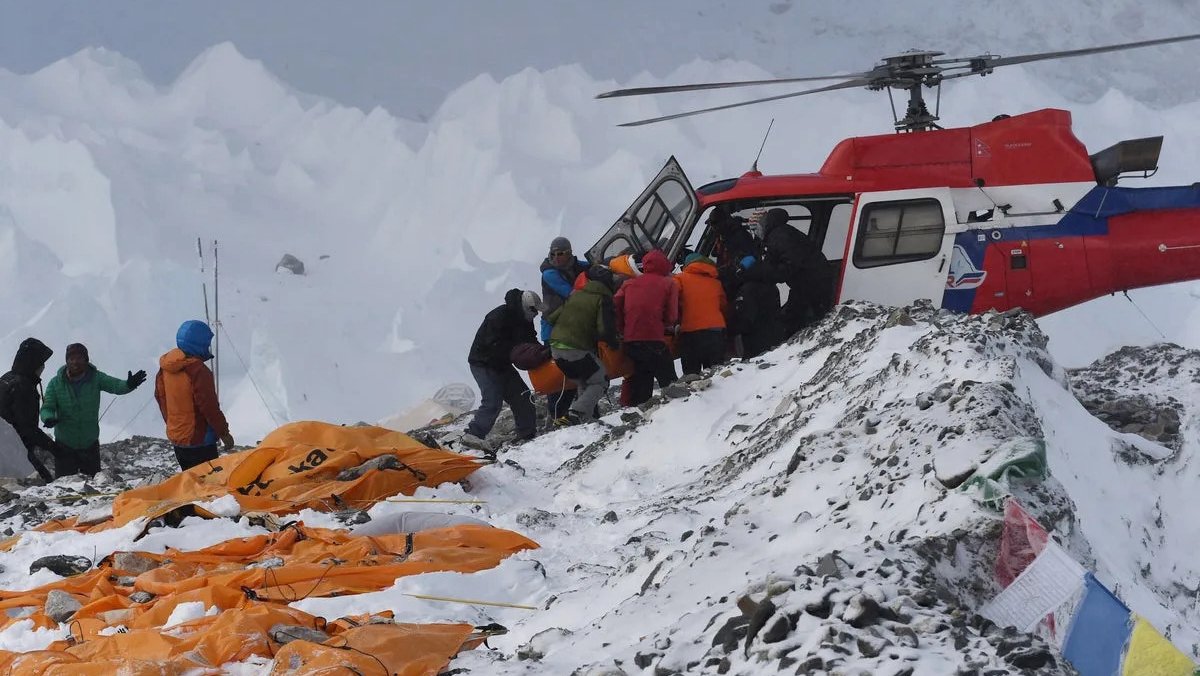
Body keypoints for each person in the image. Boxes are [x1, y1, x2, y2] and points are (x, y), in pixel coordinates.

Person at [38, 343, 146, 478]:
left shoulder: (96, 378)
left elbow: (116, 385)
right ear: (66, 361)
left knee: (93, 485)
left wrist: (129, 384)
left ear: (86, 360)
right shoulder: (56, 383)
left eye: (79, 358)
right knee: (63, 488)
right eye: (71, 359)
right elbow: (48, 406)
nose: (75, 362)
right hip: (64, 445)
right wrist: (47, 417)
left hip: (89, 445)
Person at [461, 289, 542, 450]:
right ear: (526, 306)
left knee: (523, 397)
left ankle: (527, 435)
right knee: (492, 401)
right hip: (483, 363)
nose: (536, 314)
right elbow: (490, 344)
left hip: (502, 364)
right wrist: (515, 351)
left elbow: (530, 340)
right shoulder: (499, 316)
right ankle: (473, 436)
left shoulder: (523, 319)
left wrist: (541, 352)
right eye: (534, 310)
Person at [154, 320, 234, 471]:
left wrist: (175, 426)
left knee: (190, 482)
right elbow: (209, 407)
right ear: (199, 344)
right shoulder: (198, 371)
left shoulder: (165, 368)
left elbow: (161, 399)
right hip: (199, 440)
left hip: (178, 438)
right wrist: (224, 433)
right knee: (207, 485)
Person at [742, 207, 832, 337]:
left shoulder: (779, 236)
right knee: (793, 316)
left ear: (762, 225)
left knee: (794, 320)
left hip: (810, 282)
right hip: (808, 281)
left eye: (755, 229)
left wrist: (758, 272)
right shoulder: (777, 235)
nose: (755, 233)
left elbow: (788, 267)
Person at [546, 265, 619, 426]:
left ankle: (585, 420)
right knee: (601, 380)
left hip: (556, 349)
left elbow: (551, 318)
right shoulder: (603, 299)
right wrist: (615, 344)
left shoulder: (576, 294)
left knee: (585, 380)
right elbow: (604, 330)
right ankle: (576, 413)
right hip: (575, 348)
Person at [613, 249, 679, 406]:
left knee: (643, 379)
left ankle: (642, 417)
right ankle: (677, 413)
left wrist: (622, 328)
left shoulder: (628, 284)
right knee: (669, 381)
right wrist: (665, 325)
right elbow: (672, 316)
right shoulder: (669, 283)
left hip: (631, 341)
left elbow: (615, 305)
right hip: (653, 338)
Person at [539, 236, 589, 418]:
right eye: (554, 254)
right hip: (552, 331)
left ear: (569, 253)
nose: (557, 257)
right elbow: (571, 293)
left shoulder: (577, 266)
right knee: (560, 377)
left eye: (561, 253)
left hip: (571, 330)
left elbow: (591, 265)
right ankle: (556, 416)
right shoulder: (549, 274)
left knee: (580, 371)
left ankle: (585, 413)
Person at [0, 338, 58, 482]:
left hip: (5, 445)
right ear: (33, 363)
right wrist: (54, 448)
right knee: (44, 482)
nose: (43, 367)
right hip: (14, 448)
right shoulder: (24, 387)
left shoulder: (7, 377)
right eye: (41, 363)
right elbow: (27, 430)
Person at [674, 253, 728, 375]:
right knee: (717, 375)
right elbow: (724, 307)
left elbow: (671, 298)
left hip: (690, 332)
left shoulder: (680, 278)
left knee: (692, 375)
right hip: (716, 332)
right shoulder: (716, 283)